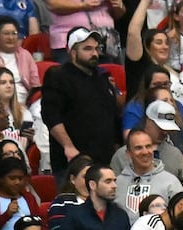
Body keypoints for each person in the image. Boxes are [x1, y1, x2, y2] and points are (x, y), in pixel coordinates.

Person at [41, 27, 124, 174]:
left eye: (96, 49)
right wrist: (68, 146)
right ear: (73, 52)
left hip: (105, 161)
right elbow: (51, 116)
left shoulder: (101, 78)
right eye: (87, 49)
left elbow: (112, 115)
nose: (94, 53)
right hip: (73, 162)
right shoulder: (58, 76)